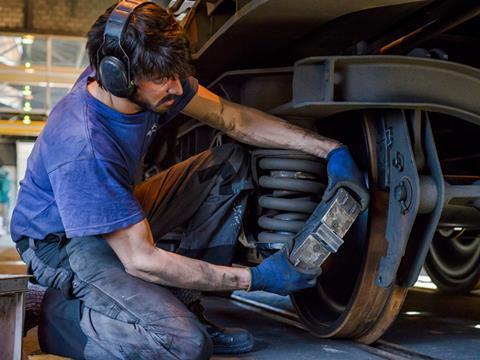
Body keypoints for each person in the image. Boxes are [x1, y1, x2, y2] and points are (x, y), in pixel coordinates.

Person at [11, 1, 369, 359]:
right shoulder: (83, 143)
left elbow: (233, 119)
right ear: (118, 75)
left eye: (176, 73)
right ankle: (57, 316)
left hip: (111, 210)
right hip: (58, 243)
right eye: (161, 78)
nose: (175, 86)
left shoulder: (151, 81)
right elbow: (141, 259)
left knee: (227, 165)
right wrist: (253, 279)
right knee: (186, 344)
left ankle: (186, 301)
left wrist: (328, 149)